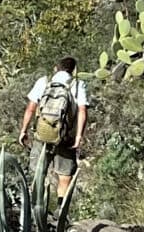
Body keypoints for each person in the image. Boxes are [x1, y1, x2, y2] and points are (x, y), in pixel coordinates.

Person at [16, 56, 89, 201]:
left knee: (38, 173)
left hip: (42, 135)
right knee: (64, 177)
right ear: (73, 71)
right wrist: (79, 136)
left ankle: (35, 207)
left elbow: (31, 108)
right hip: (66, 138)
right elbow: (82, 111)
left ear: (56, 68)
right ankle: (61, 213)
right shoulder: (78, 84)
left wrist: (24, 130)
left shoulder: (44, 81)